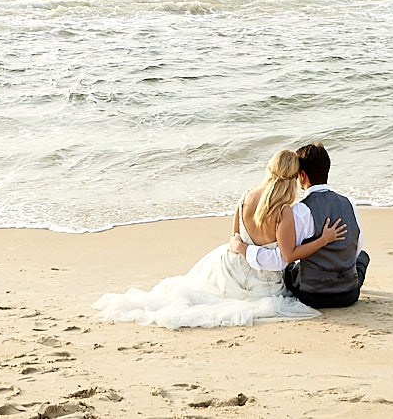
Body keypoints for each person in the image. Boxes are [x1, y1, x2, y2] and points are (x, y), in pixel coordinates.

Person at [92, 146, 342, 328]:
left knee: (212, 265)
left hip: (231, 273)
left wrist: (243, 247)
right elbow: (287, 256)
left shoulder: (245, 197)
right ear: (295, 176)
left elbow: (234, 238)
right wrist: (323, 240)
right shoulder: (283, 211)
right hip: (262, 286)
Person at [234, 141, 368, 308]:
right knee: (363, 256)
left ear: (302, 175)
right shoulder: (349, 203)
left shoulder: (299, 211)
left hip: (310, 295)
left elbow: (285, 257)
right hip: (348, 295)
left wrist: (244, 248)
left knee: (291, 268)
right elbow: (356, 246)